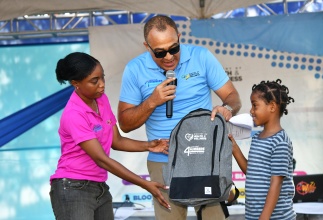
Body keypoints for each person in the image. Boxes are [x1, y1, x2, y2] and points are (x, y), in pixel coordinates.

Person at [118, 15, 241, 220]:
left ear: (180, 37)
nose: (168, 57)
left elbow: (233, 96)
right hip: (163, 160)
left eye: (174, 48)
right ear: (146, 47)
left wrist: (227, 108)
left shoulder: (201, 56)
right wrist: (151, 102)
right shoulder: (134, 69)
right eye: (160, 52)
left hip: (205, 157)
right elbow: (125, 124)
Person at [49, 52, 171, 220]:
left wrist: (149, 145)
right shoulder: (74, 114)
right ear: (76, 83)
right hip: (72, 188)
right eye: (94, 81)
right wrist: (144, 183)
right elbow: (102, 159)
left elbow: (116, 141)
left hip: (99, 186)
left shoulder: (101, 99)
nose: (102, 85)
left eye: (102, 77)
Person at [229, 79, 296, 220]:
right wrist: (233, 147)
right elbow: (251, 171)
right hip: (254, 216)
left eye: (255, 106)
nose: (251, 111)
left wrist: (264, 217)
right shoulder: (257, 137)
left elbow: (276, 183)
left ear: (272, 107)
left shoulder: (280, 142)